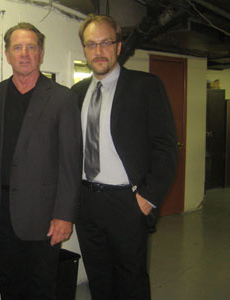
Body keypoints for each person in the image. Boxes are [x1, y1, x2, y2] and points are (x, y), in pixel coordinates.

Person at [71, 15, 178, 300]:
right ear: (84, 50)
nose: (98, 51)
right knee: (99, 278)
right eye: (91, 44)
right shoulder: (77, 93)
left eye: (105, 42)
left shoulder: (145, 86)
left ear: (118, 46)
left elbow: (166, 147)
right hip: (86, 202)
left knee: (132, 281)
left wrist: (148, 197)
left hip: (127, 202)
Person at [0, 22, 82, 300]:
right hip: (1, 215)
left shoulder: (62, 98)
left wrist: (64, 215)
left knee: (41, 288)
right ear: (7, 54)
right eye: (17, 47)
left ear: (40, 54)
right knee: (8, 285)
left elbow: (70, 163)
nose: (24, 53)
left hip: (43, 217)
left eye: (31, 47)